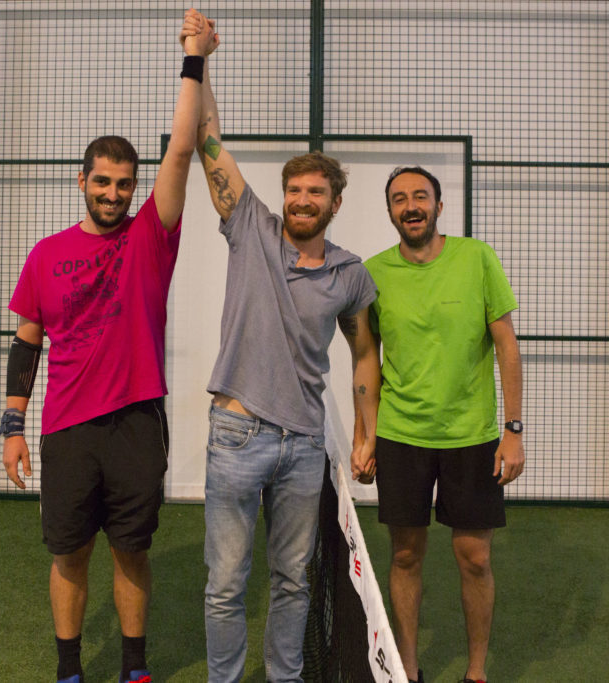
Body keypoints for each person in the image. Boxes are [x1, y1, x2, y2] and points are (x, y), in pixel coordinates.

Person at [0, 14, 214, 683]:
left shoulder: (152, 236)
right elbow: (27, 341)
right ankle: (69, 670)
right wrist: (11, 427)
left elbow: (181, 151)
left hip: (136, 424)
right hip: (67, 429)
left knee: (131, 552)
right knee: (69, 555)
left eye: (124, 183)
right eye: (103, 182)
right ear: (83, 181)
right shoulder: (46, 255)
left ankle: (134, 669)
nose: (114, 193)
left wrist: (194, 59)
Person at [182, 10, 381, 682]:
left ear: (334, 202)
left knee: (293, 580)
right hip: (236, 433)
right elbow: (208, 137)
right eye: (294, 189)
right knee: (225, 582)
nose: (300, 199)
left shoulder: (350, 274)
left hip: (302, 445)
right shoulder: (252, 227)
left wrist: (366, 432)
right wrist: (201, 58)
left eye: (314, 192)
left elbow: (364, 353)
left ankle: (284, 677)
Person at [364, 166, 525, 683]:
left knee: (474, 557)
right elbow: (366, 361)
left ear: (438, 204)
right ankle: (408, 669)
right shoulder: (373, 273)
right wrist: (364, 435)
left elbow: (506, 346)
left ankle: (476, 672)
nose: (411, 206)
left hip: (471, 438)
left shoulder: (477, 258)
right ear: (390, 211)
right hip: (400, 436)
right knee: (405, 554)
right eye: (399, 199)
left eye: (420, 196)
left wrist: (513, 430)